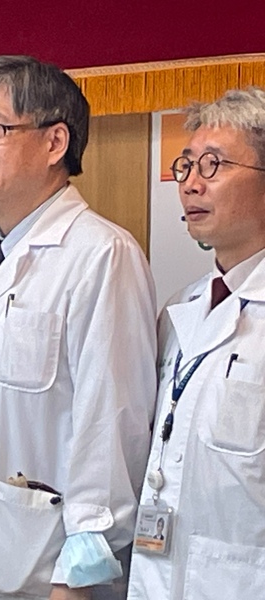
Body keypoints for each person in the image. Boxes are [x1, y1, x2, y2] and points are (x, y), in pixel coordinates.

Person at [0, 55, 157, 600]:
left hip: (50, 579)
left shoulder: (100, 254)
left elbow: (111, 427)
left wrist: (79, 575)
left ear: (55, 142)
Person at [128, 87, 265, 600]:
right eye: (185, 166)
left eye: (214, 165)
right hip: (158, 573)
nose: (191, 184)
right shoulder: (180, 309)